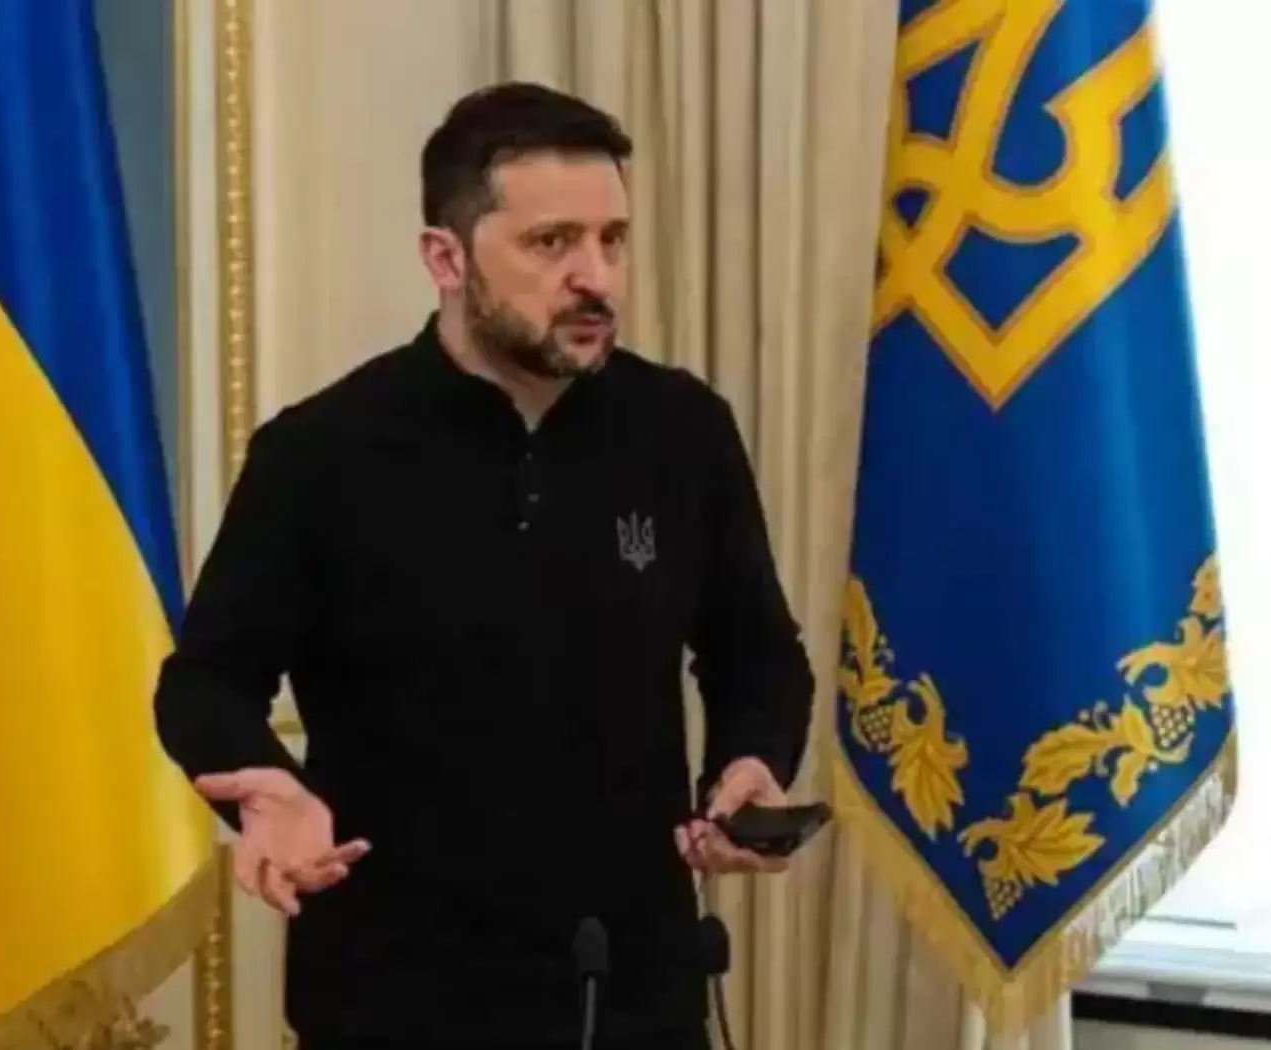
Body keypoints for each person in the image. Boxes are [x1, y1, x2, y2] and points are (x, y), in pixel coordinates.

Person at [153, 80, 815, 1050]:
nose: (597, 278)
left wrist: (750, 764)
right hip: (397, 1000)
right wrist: (266, 783)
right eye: (552, 244)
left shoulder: (682, 430)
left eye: (613, 240)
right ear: (445, 257)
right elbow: (205, 683)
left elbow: (758, 652)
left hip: (634, 989)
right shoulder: (322, 452)